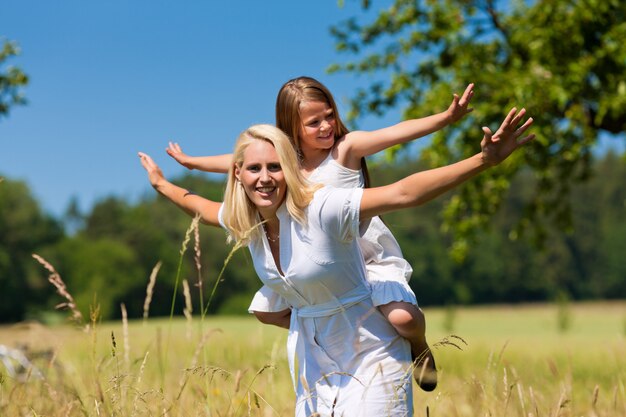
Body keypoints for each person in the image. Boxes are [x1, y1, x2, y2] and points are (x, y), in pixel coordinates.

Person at [138, 110, 534, 416]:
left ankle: (418, 346)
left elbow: (403, 192)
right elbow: (199, 206)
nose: (264, 178)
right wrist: (161, 184)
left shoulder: (323, 206)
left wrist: (483, 162)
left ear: (290, 170)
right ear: (237, 174)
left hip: (372, 349)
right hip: (313, 363)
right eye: (254, 169)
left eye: (274, 167)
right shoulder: (246, 220)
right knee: (264, 310)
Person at [165, 76, 475, 391]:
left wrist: (446, 119)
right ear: (292, 129)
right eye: (314, 122)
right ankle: (325, 329)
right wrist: (191, 163)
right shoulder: (287, 162)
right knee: (265, 311)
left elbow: (393, 134)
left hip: (364, 253)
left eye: (329, 115)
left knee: (403, 319)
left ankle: (419, 346)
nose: (327, 126)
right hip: (313, 256)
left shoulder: (345, 149)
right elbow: (238, 161)